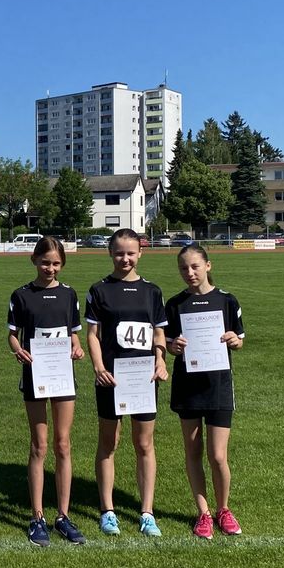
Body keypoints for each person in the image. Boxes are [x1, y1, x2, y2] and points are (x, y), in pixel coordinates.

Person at [85, 228, 169, 537]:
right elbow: (92, 335)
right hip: (111, 378)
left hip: (144, 378)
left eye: (131, 252)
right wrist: (98, 366)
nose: (125, 258)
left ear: (140, 253)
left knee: (144, 443)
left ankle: (147, 512)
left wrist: (161, 360)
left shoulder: (152, 291)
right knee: (109, 443)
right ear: (110, 253)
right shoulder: (99, 290)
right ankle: (108, 511)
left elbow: (159, 333)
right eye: (119, 253)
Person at [8, 236, 87, 547]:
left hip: (63, 378)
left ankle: (63, 516)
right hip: (36, 376)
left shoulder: (69, 295)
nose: (50, 268)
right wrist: (17, 350)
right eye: (45, 262)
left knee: (63, 444)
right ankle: (37, 516)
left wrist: (77, 348)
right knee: (39, 445)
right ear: (34, 261)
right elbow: (12, 336)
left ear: (62, 264)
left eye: (56, 263)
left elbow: (74, 337)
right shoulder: (21, 295)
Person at [165, 244, 246, 539]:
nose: (190, 272)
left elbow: (239, 339)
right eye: (184, 268)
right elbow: (169, 344)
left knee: (218, 455)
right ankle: (203, 513)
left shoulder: (227, 301)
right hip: (187, 388)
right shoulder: (174, 304)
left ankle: (223, 509)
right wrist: (173, 347)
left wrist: (235, 341)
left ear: (208, 266)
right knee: (193, 452)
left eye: (195, 266)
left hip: (218, 387)